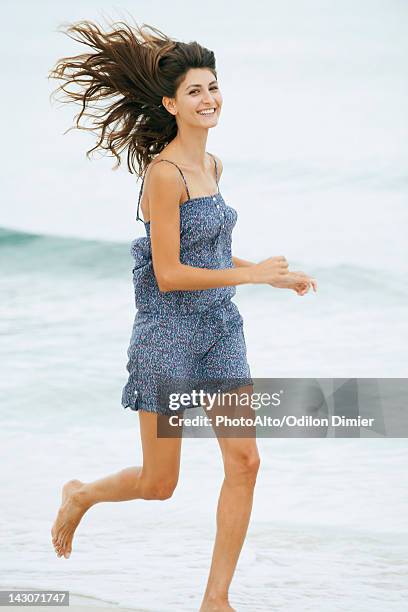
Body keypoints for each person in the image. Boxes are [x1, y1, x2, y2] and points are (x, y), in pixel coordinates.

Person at [48, 18, 317, 612]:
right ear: (171, 103)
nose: (209, 98)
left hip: (221, 331)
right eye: (195, 91)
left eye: (213, 86)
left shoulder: (213, 166)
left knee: (245, 461)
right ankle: (80, 494)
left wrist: (271, 276)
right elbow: (170, 274)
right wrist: (251, 275)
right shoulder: (163, 176)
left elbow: (212, 255)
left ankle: (215, 600)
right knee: (158, 484)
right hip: (167, 337)